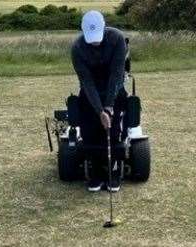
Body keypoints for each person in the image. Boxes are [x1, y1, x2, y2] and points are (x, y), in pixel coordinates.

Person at [71, 10, 128, 192]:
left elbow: (117, 75)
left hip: (114, 87)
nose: (95, 42)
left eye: (97, 37)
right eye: (91, 38)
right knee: (90, 128)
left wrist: (109, 107)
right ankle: (95, 170)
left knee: (113, 128)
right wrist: (99, 110)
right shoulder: (77, 47)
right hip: (91, 90)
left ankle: (113, 169)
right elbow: (86, 82)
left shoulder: (117, 38)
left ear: (104, 27)